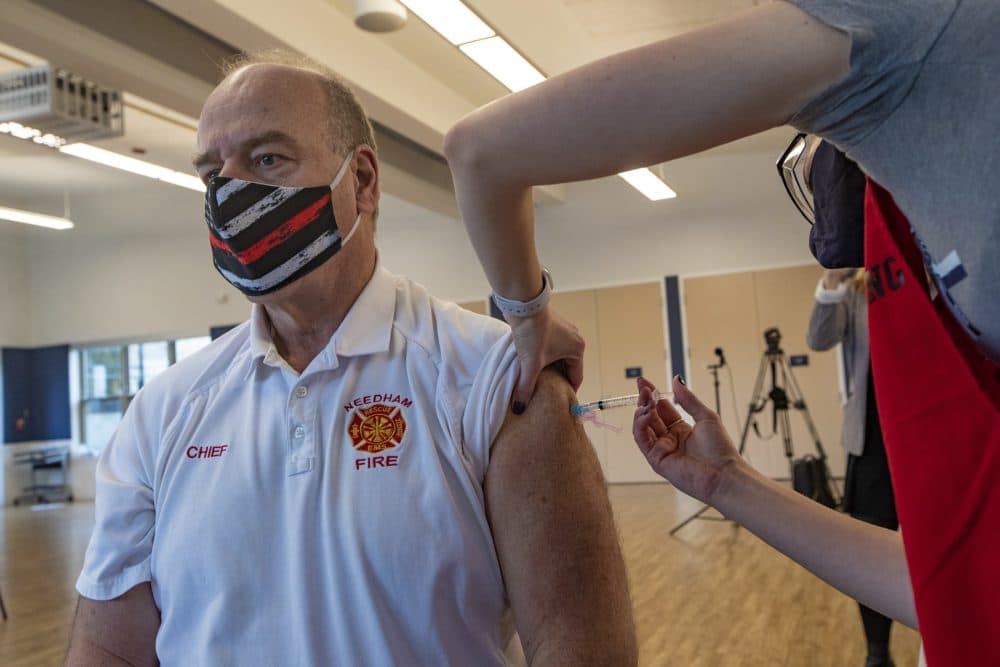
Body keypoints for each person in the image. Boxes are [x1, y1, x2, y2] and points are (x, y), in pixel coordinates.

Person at [444, 2, 999, 664]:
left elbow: (480, 151)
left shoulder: (910, 25)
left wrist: (530, 317)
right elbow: (957, 589)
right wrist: (727, 482)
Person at [66, 51, 636, 666]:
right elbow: (109, 650)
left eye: (267, 159)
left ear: (361, 181)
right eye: (212, 173)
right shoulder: (162, 411)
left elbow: (581, 648)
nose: (230, 194)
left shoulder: (496, 381)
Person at [808, 267, 898, 667]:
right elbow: (819, 338)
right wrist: (832, 282)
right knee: (871, 551)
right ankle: (877, 652)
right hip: (874, 439)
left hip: (939, 432)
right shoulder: (861, 288)